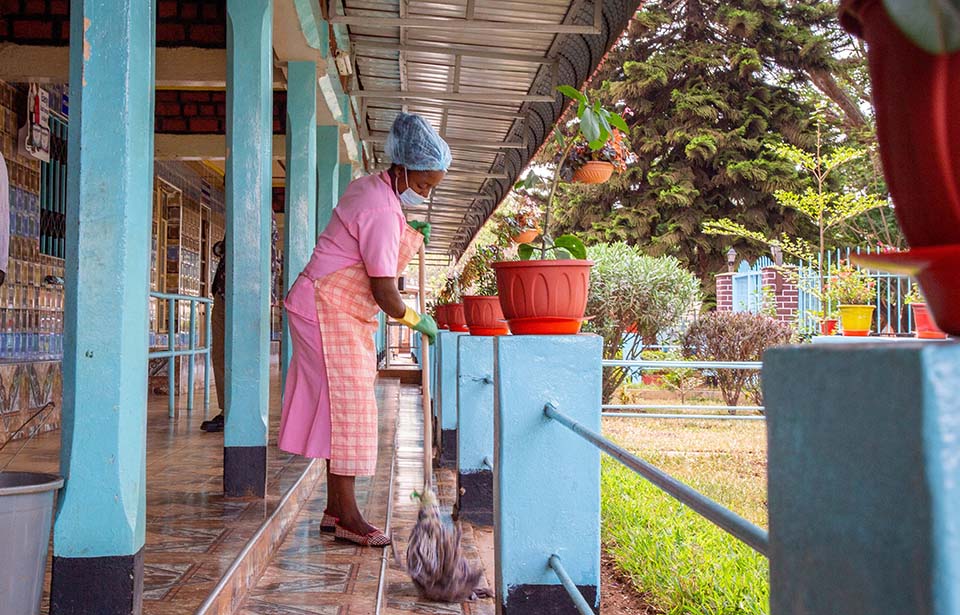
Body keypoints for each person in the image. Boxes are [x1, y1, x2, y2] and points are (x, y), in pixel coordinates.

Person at [279, 113, 445, 546]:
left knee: (344, 406)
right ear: (404, 166)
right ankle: (349, 517)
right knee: (349, 408)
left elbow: (375, 246)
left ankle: (335, 511)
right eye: (424, 185)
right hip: (324, 307)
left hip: (333, 306)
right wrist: (418, 321)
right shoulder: (380, 207)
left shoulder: (375, 190)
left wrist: (410, 233)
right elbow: (386, 292)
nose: (424, 194)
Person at [201, 239, 227, 432]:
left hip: (238, 294)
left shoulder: (262, 217)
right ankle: (226, 408)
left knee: (230, 355)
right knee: (219, 353)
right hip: (223, 292)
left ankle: (232, 410)